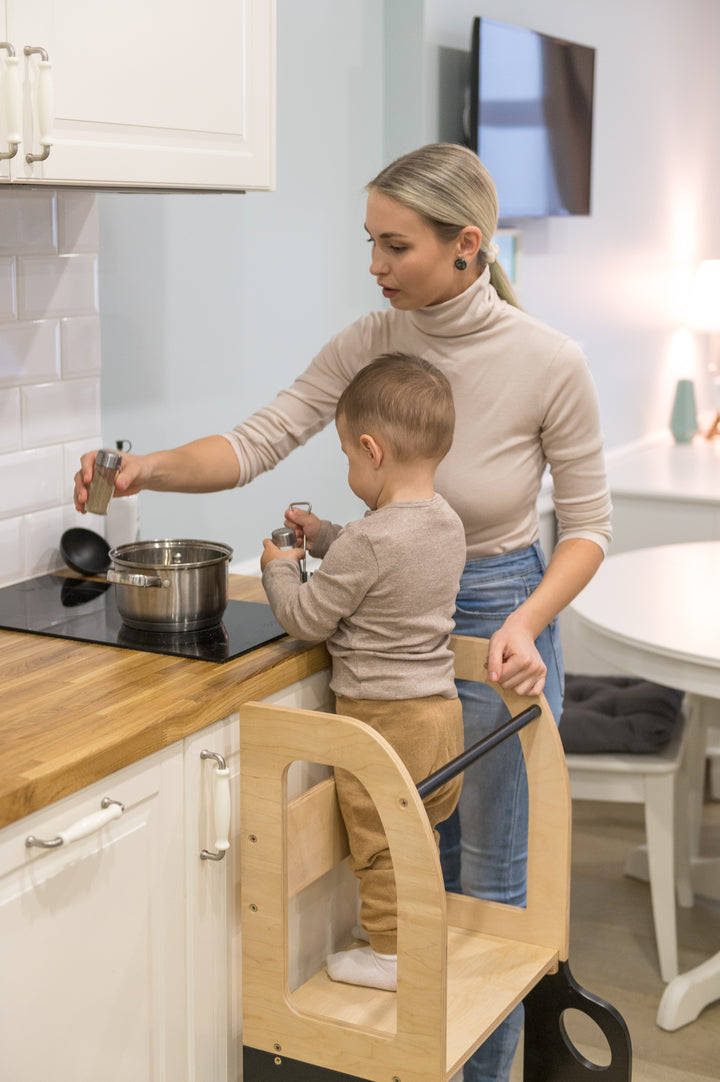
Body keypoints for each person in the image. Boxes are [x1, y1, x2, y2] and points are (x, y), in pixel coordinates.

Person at [75, 142, 611, 1081]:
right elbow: (259, 439)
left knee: (489, 891)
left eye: (393, 246)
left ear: (466, 245)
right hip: (392, 618)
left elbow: (590, 530)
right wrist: (143, 469)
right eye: (368, 241)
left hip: (498, 618)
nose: (373, 266)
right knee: (409, 876)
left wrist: (526, 623)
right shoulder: (371, 339)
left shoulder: (548, 361)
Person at [260, 352, 466, 993]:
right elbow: (382, 560)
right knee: (418, 835)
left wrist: (280, 565)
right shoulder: (446, 522)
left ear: (373, 451)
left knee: (379, 843)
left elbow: (307, 618)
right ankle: (420, 939)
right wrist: (323, 536)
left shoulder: (371, 542)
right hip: (439, 712)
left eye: (349, 456)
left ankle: (393, 959)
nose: (350, 466)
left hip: (385, 720)